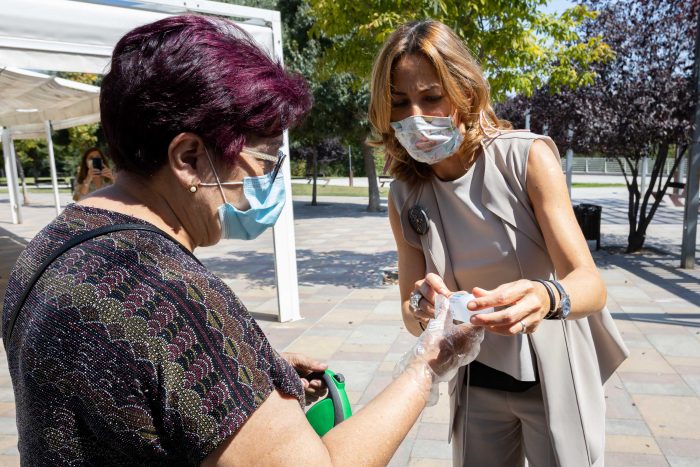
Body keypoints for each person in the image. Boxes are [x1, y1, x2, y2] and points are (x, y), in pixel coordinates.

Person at [2, 15, 483, 466]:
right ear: (189, 158)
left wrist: (244, 374)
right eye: (263, 160)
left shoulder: (47, 249)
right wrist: (428, 365)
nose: (262, 187)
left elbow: (128, 388)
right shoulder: (170, 298)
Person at [368, 19, 629, 467]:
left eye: (432, 98)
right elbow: (413, 319)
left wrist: (547, 296)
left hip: (556, 378)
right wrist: (421, 306)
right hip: (476, 382)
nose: (415, 116)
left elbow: (591, 285)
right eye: (399, 103)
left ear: (465, 92)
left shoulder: (525, 158)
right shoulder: (404, 194)